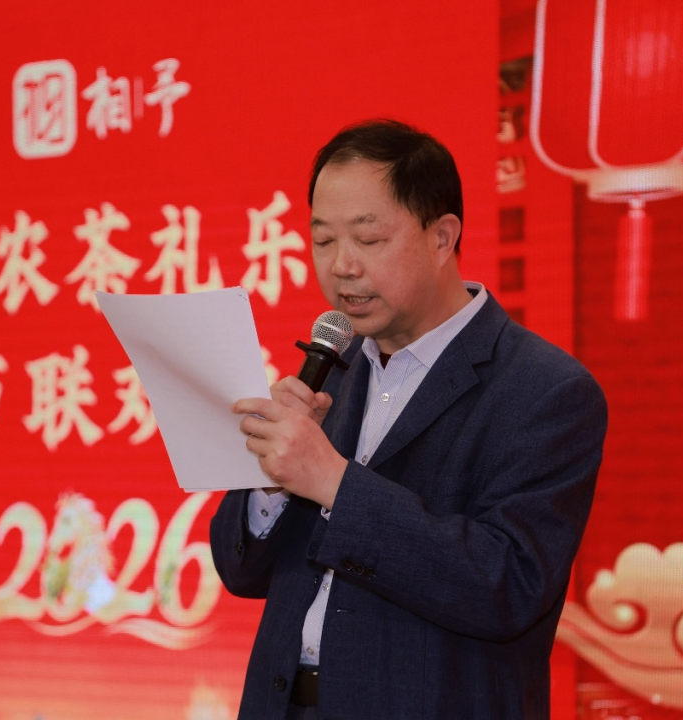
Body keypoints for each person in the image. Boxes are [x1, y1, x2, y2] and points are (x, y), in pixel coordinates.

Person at [209, 119, 607, 719]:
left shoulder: (546, 390)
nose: (342, 265)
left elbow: (510, 586)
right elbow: (241, 571)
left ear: (442, 237)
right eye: (323, 240)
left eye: (369, 239)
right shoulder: (330, 373)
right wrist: (271, 484)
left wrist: (334, 483)